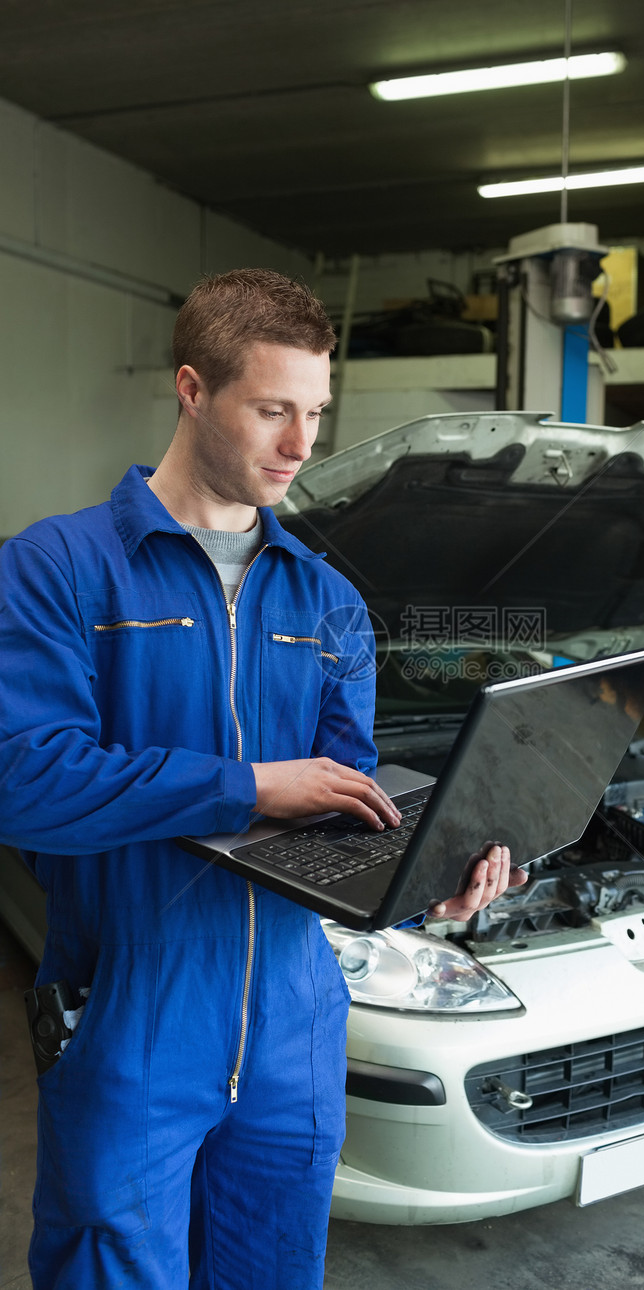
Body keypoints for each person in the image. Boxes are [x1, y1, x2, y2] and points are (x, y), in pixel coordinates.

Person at [0, 269, 526, 1290]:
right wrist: (246, 787)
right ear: (192, 389)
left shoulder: (327, 600)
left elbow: (347, 809)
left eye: (316, 415)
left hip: (295, 1023)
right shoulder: (58, 570)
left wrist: (428, 869)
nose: (300, 447)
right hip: (132, 1010)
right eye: (273, 409)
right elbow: (23, 778)